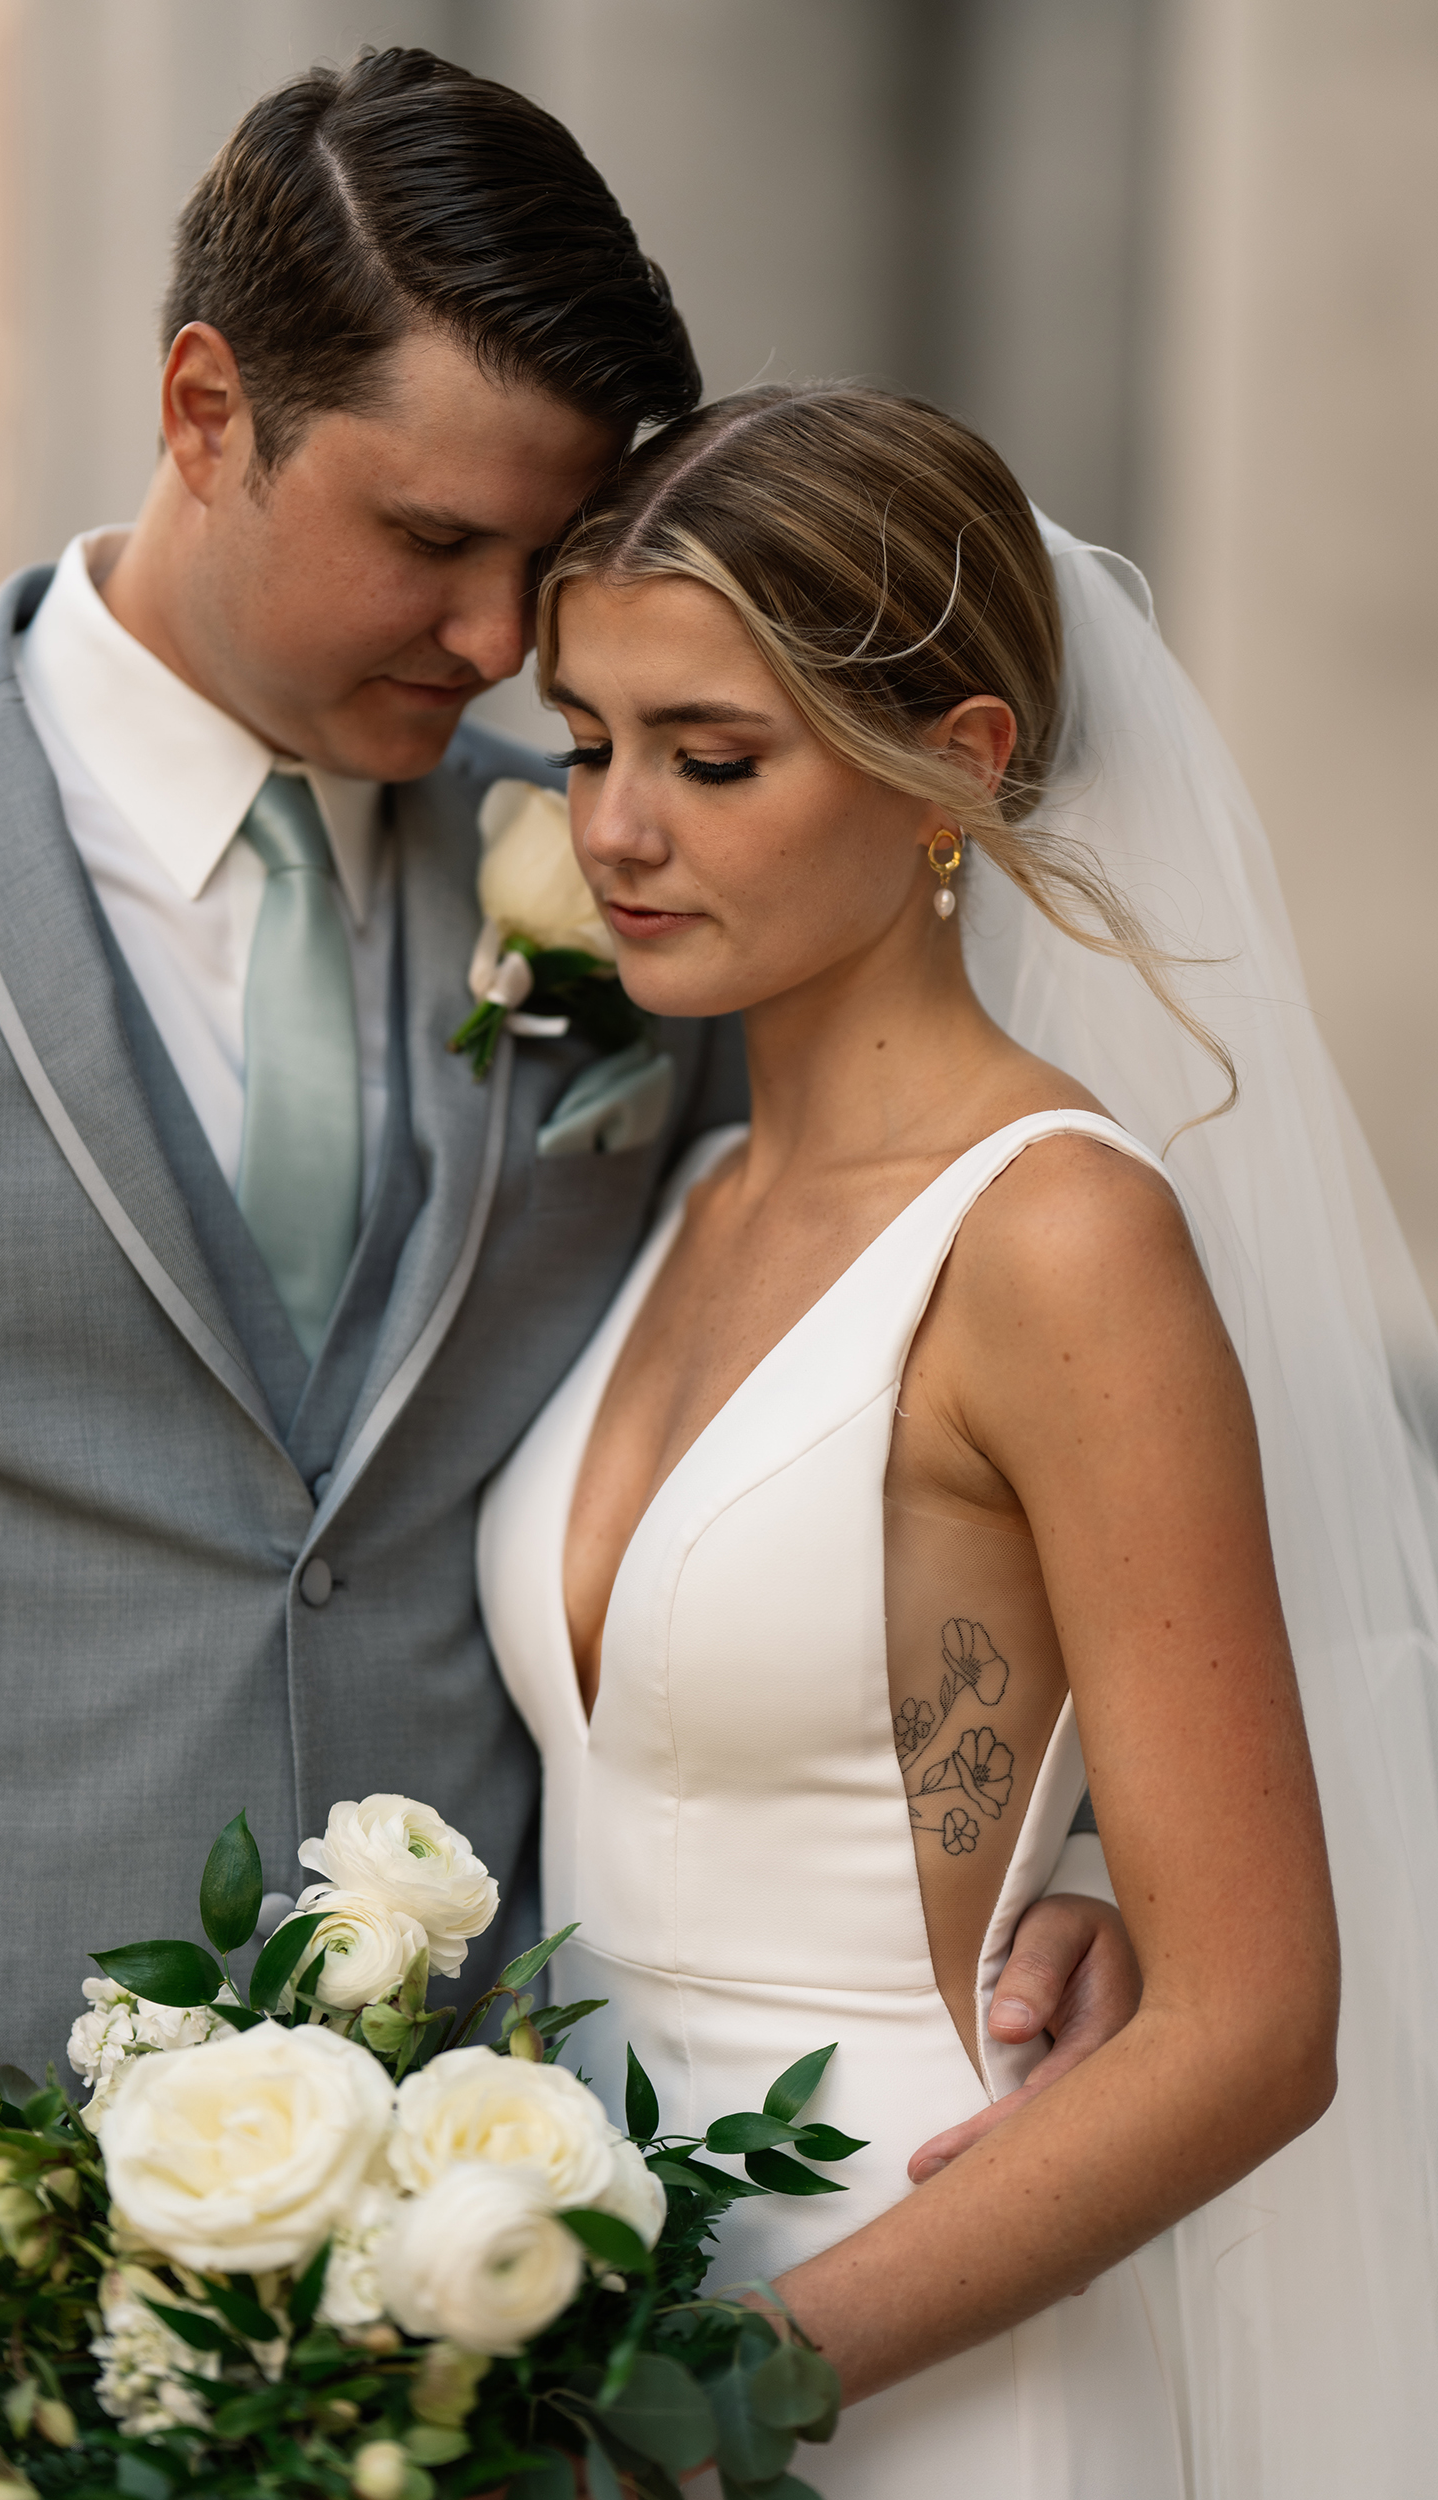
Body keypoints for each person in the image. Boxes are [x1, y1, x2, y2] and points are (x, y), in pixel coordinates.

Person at [0, 56, 1134, 2481]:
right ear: (207, 407)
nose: (504, 637)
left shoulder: (650, 869)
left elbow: (905, 1374)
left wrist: (1080, 1846)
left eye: (544, 558)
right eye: (430, 539)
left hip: (484, 2293)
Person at [480, 384, 1438, 2494]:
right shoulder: (681, 1191)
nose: (616, 827)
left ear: (955, 771)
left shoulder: (1062, 1235)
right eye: (590, 741)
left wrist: (705, 2399)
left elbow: (1255, 2023)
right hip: (569, 2310)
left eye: (710, 755)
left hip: (905, 2346)